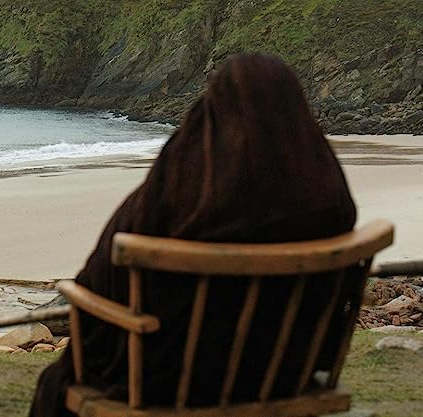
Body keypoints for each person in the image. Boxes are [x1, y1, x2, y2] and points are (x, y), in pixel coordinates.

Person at [28, 54, 358, 417]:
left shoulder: (180, 192)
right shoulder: (327, 196)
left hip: (174, 378)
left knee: (54, 383)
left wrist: (79, 296)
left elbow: (101, 278)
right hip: (283, 372)